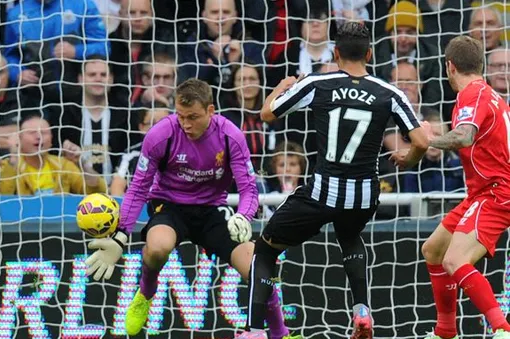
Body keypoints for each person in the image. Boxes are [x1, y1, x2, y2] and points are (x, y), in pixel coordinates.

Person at [236, 22, 429, 339]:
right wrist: (408, 159)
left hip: (322, 194)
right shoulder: (389, 93)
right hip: (364, 197)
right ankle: (362, 311)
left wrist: (282, 86)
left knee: (265, 249)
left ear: (336, 52)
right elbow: (421, 141)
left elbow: (268, 113)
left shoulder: (318, 83)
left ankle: (255, 330)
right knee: (350, 233)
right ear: (369, 53)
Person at [84, 78, 300, 339]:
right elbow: (138, 188)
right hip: (170, 206)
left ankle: (281, 333)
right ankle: (146, 292)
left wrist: (244, 215)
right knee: (158, 247)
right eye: (181, 116)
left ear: (210, 111)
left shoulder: (230, 135)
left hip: (212, 209)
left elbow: (248, 189)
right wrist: (120, 236)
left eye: (193, 117)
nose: (185, 124)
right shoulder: (161, 135)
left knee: (256, 264)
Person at [419, 36, 510, 339]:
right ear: (482, 65)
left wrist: (428, 140)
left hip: (497, 191)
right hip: (482, 192)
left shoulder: (473, 94)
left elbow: (464, 136)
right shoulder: (491, 95)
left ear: (450, 67)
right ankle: (445, 331)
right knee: (433, 250)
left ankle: (502, 328)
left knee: (454, 260)